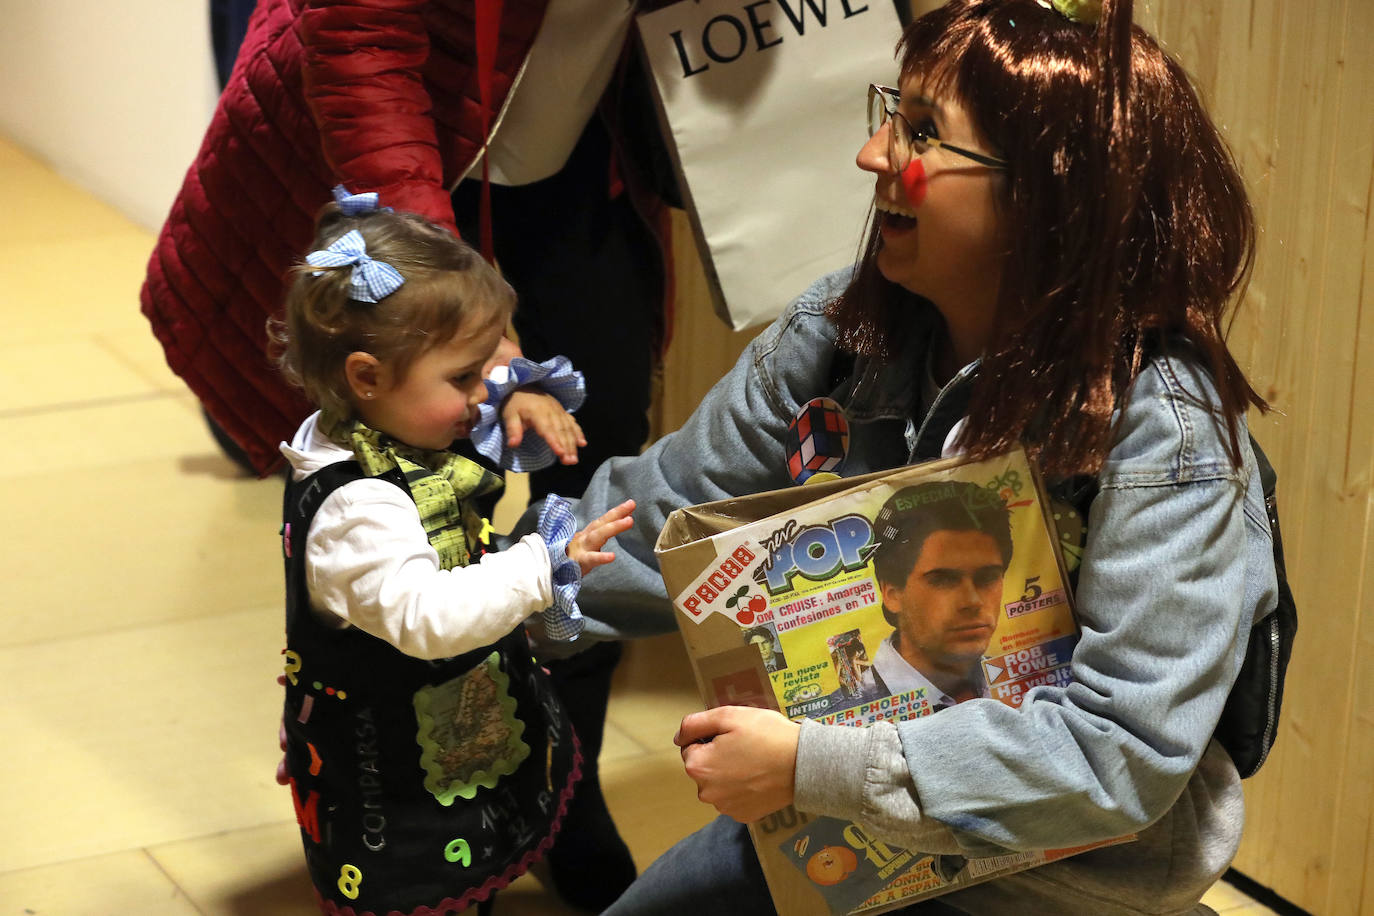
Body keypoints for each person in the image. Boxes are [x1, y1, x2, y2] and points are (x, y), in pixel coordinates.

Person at [545, 0, 1280, 911]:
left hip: (1067, 872)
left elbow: (1118, 755)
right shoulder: (837, 333)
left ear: (1048, 194)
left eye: (923, 133)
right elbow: (660, 520)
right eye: (892, 113)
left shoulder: (1165, 420)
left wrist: (815, 764)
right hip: (838, 818)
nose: (872, 156)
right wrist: (484, 599)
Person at [272, 199, 636, 916]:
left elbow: (462, 407)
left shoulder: (386, 421)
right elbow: (428, 616)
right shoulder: (360, 507)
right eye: (467, 378)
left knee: (471, 878)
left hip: (450, 731)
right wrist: (540, 564)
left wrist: (513, 396)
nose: (484, 393)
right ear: (367, 376)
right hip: (394, 775)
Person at [826, 481, 1013, 714]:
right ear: (892, 594)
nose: (972, 601)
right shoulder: (833, 718)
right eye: (943, 580)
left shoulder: (1030, 679)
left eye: (987, 578)